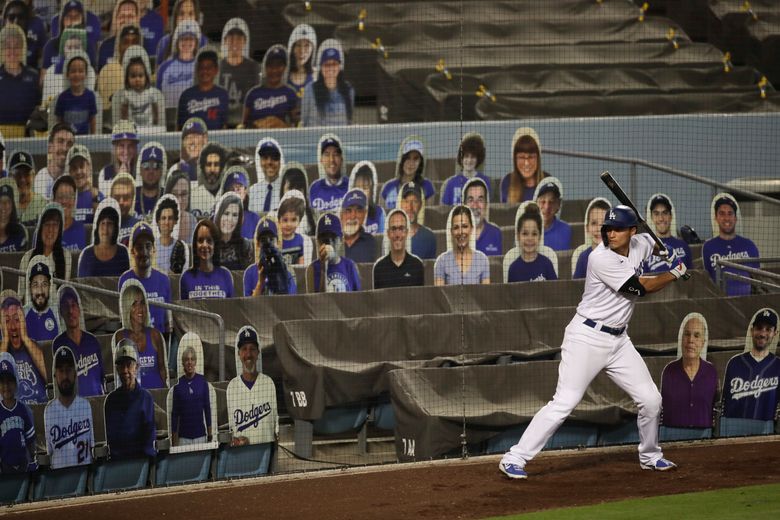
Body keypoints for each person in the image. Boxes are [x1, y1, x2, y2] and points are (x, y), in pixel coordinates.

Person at [498, 205, 690, 480]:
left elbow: (651, 243)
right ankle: (514, 458)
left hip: (619, 340)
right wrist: (674, 272)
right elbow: (641, 288)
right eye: (607, 229)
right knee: (564, 402)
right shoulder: (600, 258)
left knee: (650, 400)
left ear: (632, 231)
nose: (610, 234)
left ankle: (650, 456)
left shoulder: (640, 242)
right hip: (586, 338)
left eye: (617, 229)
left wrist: (662, 247)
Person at [660, 314, 717, 430]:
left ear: (703, 342)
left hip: (703, 441)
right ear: (681, 339)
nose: (691, 340)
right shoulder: (669, 371)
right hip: (672, 441)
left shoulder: (711, 372)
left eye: (696, 336)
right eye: (687, 334)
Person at [721, 308, 779, 421]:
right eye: (759, 328)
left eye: (768, 329)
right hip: (733, 432)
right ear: (752, 331)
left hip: (766, 434)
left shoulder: (778, 366)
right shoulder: (734, 363)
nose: (762, 333)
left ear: (775, 333)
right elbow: (724, 403)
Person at [104, 338, 156, 461]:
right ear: (117, 369)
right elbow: (111, 439)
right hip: (117, 463)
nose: (125, 370)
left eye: (129, 365)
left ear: (136, 367)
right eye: (121, 366)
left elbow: (149, 440)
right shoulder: (111, 401)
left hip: (141, 462)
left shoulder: (146, 398)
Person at [44, 346, 94, 469]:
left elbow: (93, 447)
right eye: (61, 370)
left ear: (75, 373)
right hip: (58, 478)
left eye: (69, 370)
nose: (65, 375)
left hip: (84, 474)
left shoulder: (86, 406)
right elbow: (49, 452)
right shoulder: (49, 411)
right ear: (55, 375)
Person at [227, 326, 278, 447]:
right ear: (239, 354)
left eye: (252, 349)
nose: (248, 354)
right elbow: (231, 429)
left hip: (266, 454)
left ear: (258, 353)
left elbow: (275, 425)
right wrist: (236, 440)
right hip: (242, 455)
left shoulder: (268, 383)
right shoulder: (231, 387)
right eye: (244, 349)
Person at [701, 193, 760, 296]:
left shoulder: (749, 245)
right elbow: (708, 282)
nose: (726, 218)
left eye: (730, 213)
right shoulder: (708, 247)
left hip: (748, 303)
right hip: (722, 305)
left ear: (735, 218)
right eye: (722, 213)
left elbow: (758, 280)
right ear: (716, 218)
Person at [113, 280, 167, 389]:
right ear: (127, 307)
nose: (140, 309)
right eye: (134, 304)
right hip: (134, 398)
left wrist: (164, 393)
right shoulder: (120, 337)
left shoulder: (155, 334)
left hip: (156, 394)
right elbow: (120, 374)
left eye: (142, 303)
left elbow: (162, 369)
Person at [119, 222, 171, 335]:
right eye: (139, 247)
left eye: (148, 246)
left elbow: (168, 324)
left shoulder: (164, 280)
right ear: (132, 251)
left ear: (153, 249)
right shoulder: (125, 280)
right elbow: (123, 322)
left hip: (159, 343)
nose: (144, 252)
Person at [52, 285, 105, 397]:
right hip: (74, 407)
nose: (70, 311)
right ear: (61, 312)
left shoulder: (92, 341)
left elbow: (101, 377)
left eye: (73, 305)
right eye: (66, 306)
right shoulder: (58, 344)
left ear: (79, 309)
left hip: (97, 403)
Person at [0, 291, 47, 404]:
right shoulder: (2, 350)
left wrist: (25, 337)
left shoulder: (34, 347)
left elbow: (49, 376)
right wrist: (5, 337)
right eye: (6, 321)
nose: (12, 327)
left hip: (39, 410)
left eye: (17, 319)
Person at [18, 203, 71, 298]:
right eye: (47, 224)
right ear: (40, 228)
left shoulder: (66, 256)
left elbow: (64, 294)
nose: (50, 230)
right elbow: (21, 295)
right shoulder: (27, 257)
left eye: (55, 225)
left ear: (60, 230)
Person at [170, 333, 212, 446]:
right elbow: (174, 415)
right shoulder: (178, 386)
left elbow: (207, 409)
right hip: (184, 438)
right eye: (187, 360)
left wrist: (210, 434)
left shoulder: (202, 382)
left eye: (192, 359)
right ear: (183, 363)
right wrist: (174, 441)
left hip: (201, 436)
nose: (189, 362)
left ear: (195, 362)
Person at [243, 44, 298, 129]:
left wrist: (282, 125)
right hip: (256, 139)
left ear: (285, 68)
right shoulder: (253, 94)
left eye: (279, 65)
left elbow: (297, 126)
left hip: (282, 140)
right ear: (265, 67)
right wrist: (257, 126)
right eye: (270, 66)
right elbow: (243, 126)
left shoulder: (290, 93)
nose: (274, 70)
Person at [301, 38, 354, 127]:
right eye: (326, 64)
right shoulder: (310, 90)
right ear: (321, 67)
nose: (330, 68)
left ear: (339, 67)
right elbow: (304, 122)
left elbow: (349, 121)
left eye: (334, 64)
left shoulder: (349, 90)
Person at [41, 27, 97, 110]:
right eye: (69, 47)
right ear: (63, 49)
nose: (73, 51)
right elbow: (45, 104)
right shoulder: (50, 71)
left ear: (83, 49)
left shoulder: (90, 71)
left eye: (77, 47)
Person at [219, 18, 260, 128]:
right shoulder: (218, 67)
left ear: (245, 41)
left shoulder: (254, 67)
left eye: (239, 38)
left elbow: (256, 100)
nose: (234, 42)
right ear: (225, 40)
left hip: (246, 125)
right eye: (231, 37)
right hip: (222, 125)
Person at [0, 352, 37, 473]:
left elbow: (30, 441)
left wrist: (32, 460)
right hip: (5, 466)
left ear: (16, 382)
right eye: (2, 382)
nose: (6, 386)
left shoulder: (22, 409)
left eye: (9, 380)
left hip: (23, 465)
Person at [112, 45, 165, 129]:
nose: (137, 79)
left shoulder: (151, 93)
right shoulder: (126, 94)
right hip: (132, 131)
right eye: (133, 76)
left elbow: (155, 109)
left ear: (146, 77)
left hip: (149, 130)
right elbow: (124, 113)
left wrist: (156, 124)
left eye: (140, 76)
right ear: (127, 78)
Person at [434, 206, 490, 286]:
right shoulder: (442, 261)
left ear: (471, 229)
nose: (460, 232)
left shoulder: (482, 260)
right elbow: (439, 296)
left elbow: (486, 295)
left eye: (464, 226)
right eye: (456, 227)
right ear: (452, 232)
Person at [180, 219, 234, 299]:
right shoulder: (186, 277)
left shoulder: (225, 275)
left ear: (215, 245)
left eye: (209, 240)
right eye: (200, 240)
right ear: (195, 245)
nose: (205, 245)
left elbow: (231, 309)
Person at [306, 213, 360, 293]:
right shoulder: (312, 268)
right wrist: (324, 268)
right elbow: (315, 302)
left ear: (341, 240)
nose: (329, 242)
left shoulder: (350, 266)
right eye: (324, 239)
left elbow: (358, 298)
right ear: (317, 242)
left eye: (333, 238)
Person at [177, 47, 229, 130]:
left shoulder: (222, 94)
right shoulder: (186, 95)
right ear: (197, 70)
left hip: (216, 138)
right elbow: (180, 128)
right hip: (193, 140)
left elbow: (224, 126)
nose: (205, 71)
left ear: (216, 70)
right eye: (201, 67)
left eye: (209, 67)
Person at [76, 198, 130, 277]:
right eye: (103, 223)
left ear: (115, 228)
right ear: (97, 227)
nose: (106, 228)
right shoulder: (87, 254)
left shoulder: (123, 252)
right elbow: (81, 285)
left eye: (110, 224)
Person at [642, 194, 694, 275]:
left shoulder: (683, 246)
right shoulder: (647, 249)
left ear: (670, 216)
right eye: (656, 214)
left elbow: (691, 278)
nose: (661, 218)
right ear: (652, 217)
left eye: (665, 213)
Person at [243, 216, 296, 296]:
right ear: (257, 244)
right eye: (263, 240)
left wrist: (281, 272)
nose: (268, 243)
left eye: (271, 239)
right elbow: (248, 306)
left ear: (277, 243)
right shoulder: (250, 272)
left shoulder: (288, 270)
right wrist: (260, 283)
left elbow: (291, 302)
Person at [505, 203, 558, 283]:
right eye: (525, 233)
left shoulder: (547, 264)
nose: (529, 239)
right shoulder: (513, 269)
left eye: (534, 234)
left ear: (540, 237)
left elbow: (556, 292)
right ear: (518, 236)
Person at [41, 1, 99, 73]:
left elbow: (93, 76)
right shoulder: (50, 45)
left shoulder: (89, 45)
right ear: (62, 21)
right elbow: (43, 79)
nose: (72, 20)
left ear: (82, 20)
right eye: (68, 16)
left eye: (76, 16)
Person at [156, 19, 202, 110]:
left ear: (196, 42)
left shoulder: (201, 67)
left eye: (190, 39)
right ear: (177, 42)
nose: (187, 42)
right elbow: (157, 98)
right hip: (169, 118)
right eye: (183, 39)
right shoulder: (164, 67)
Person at [373, 209, 424, 289]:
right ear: (388, 233)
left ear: (407, 232)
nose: (397, 235)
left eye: (401, 229)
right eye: (393, 229)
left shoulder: (417, 265)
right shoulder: (379, 268)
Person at [0, 24, 40, 127]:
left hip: (26, 137)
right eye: (8, 46)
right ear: (2, 50)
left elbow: (39, 109)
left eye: (16, 46)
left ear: (22, 48)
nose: (12, 51)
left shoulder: (34, 76)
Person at [96, 24, 142, 108]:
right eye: (126, 42)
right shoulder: (107, 71)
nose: (130, 47)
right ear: (119, 46)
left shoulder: (146, 72)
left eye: (134, 42)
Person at [381, 136, 435, 209]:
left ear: (420, 162)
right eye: (407, 158)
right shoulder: (388, 187)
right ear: (402, 160)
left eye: (415, 158)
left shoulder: (427, 187)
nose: (411, 163)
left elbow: (429, 215)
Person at [54, 51, 97, 135]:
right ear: (67, 74)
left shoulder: (90, 96)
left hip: (85, 140)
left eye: (81, 71)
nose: (77, 74)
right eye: (73, 71)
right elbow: (59, 122)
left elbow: (92, 120)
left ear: (86, 74)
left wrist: (93, 138)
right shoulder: (62, 98)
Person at [441, 133, 491, 205]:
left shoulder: (485, 181)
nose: (469, 160)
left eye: (473, 157)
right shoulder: (451, 183)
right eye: (466, 156)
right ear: (461, 158)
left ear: (478, 159)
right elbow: (444, 210)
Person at [500, 127, 547, 204]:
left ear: (538, 158)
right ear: (515, 159)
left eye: (531, 157)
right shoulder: (507, 181)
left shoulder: (547, 181)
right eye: (521, 157)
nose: (526, 163)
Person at [154, 0, 206, 65]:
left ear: (196, 17)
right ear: (176, 18)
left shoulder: (203, 42)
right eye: (181, 14)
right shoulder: (164, 43)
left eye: (190, 14)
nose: (186, 18)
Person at [213, 191, 254, 271]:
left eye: (235, 215)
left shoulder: (246, 246)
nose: (230, 219)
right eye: (226, 213)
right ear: (219, 215)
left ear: (239, 219)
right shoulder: (208, 245)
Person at [98, 120, 140, 197]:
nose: (126, 151)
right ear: (114, 148)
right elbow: (106, 202)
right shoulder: (105, 173)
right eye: (121, 146)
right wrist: (119, 179)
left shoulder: (141, 172)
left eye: (130, 146)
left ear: (135, 148)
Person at [96, 0, 140, 72]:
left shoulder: (146, 44)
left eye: (130, 16)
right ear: (116, 19)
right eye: (122, 16)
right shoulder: (105, 46)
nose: (126, 20)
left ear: (138, 19)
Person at [309, 134, 348, 214]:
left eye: (335, 154)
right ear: (321, 160)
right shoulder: (314, 188)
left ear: (341, 159)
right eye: (327, 154)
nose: (331, 160)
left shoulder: (351, 185)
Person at [34, 122, 75, 200]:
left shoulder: (75, 180)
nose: (64, 148)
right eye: (60, 141)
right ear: (50, 147)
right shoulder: (40, 178)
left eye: (69, 144)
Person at [572, 198, 611, 279]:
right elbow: (576, 288)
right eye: (594, 223)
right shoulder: (583, 258)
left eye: (603, 224)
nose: (598, 229)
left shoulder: (618, 255)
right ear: (587, 228)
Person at [23, 255, 59, 342]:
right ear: (30, 287)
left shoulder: (58, 312)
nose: (40, 291)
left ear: (50, 286)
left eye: (44, 284)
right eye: (35, 285)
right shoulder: (22, 314)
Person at [151, 194, 189, 274]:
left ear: (175, 221)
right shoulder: (151, 247)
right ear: (158, 221)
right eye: (163, 218)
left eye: (170, 218)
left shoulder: (180, 247)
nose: (167, 222)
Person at [463, 177, 501, 257]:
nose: (475, 206)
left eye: (480, 200)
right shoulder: (457, 234)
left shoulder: (497, 234)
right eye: (470, 200)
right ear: (464, 205)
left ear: (486, 204)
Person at [398, 181, 436, 260]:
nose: (410, 207)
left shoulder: (429, 237)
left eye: (415, 202)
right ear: (401, 204)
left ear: (420, 205)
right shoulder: (391, 237)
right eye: (406, 201)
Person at [67, 143, 102, 225]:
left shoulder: (98, 196)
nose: (78, 172)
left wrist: (95, 201)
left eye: (82, 166)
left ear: (89, 168)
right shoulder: (65, 199)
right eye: (74, 168)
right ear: (70, 172)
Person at [248, 138, 285, 215]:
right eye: (265, 158)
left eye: (274, 158)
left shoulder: (286, 190)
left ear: (280, 162)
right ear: (260, 162)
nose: (269, 162)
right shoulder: (252, 191)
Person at [533, 177, 571, 252]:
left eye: (552, 202)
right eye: (543, 201)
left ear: (558, 205)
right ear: (536, 203)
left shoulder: (566, 230)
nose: (547, 207)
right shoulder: (526, 230)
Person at [221, 165, 259, 240]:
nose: (235, 193)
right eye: (231, 189)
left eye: (238, 189)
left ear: (245, 193)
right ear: (225, 193)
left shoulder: (254, 219)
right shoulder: (216, 218)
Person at [340, 188, 376, 264]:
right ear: (341, 214)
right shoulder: (332, 241)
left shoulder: (373, 243)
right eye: (348, 210)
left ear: (364, 215)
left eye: (359, 211)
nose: (353, 216)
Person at [191, 142, 227, 217]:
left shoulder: (228, 194)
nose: (212, 169)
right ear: (203, 167)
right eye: (208, 164)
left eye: (216, 164)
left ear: (222, 167)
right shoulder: (192, 196)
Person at [10, 151, 46, 225]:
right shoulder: (4, 205)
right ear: (10, 176)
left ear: (33, 175)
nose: (22, 179)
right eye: (18, 174)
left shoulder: (42, 204)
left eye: (26, 174)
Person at [349, 161, 385, 235]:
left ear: (371, 191)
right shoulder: (346, 214)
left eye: (365, 188)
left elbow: (382, 239)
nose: (361, 192)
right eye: (358, 187)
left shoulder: (379, 212)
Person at [52, 175, 86, 251]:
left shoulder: (83, 230)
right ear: (53, 201)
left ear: (74, 201)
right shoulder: (43, 232)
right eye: (60, 197)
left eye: (68, 197)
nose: (64, 201)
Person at [279, 163, 315, 236]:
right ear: (282, 190)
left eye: (298, 188)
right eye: (290, 188)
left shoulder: (313, 217)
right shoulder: (273, 215)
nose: (294, 192)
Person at [169, 117, 207, 183]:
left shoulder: (213, 167)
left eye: (195, 136)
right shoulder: (175, 170)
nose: (191, 142)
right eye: (187, 138)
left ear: (204, 139)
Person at [163, 169, 196, 245]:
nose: (179, 200)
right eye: (174, 194)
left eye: (184, 194)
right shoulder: (159, 222)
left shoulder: (193, 221)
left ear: (189, 195)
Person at [134, 141, 166, 220]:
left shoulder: (166, 195)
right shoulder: (132, 195)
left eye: (156, 166)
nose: (151, 171)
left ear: (162, 171)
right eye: (146, 165)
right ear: (140, 170)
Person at [109, 173, 141, 245]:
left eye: (126, 198)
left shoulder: (139, 226)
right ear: (111, 198)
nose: (121, 202)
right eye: (117, 197)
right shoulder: (103, 226)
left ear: (132, 199)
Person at [286, 23, 317, 97]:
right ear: (292, 48)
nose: (302, 51)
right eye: (298, 45)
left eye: (307, 45)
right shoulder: (282, 74)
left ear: (313, 49)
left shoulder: (317, 75)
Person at [0, 179, 27, 252]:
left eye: (8, 201)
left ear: (12, 205)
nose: (4, 205)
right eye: (1, 201)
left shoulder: (20, 231)